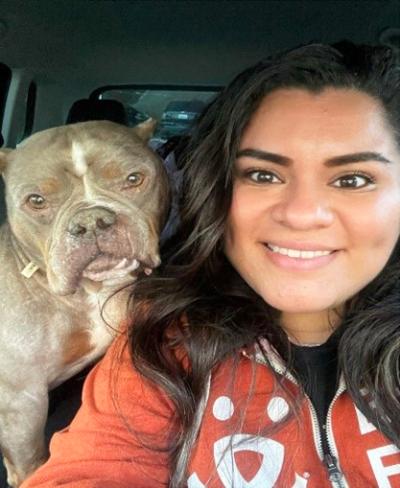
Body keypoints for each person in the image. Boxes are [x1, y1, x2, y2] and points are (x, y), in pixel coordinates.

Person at [22, 41, 400, 488]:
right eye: (263, 175)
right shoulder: (160, 344)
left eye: (352, 179)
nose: (301, 213)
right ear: (217, 190)